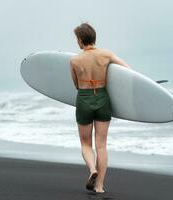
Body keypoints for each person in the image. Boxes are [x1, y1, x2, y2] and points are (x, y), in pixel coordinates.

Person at [70, 22, 130, 193]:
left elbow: (76, 84)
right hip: (102, 98)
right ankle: (100, 186)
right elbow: (127, 71)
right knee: (101, 145)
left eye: (77, 39)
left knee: (85, 143)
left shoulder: (74, 60)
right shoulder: (106, 54)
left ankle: (92, 170)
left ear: (81, 40)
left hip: (84, 98)